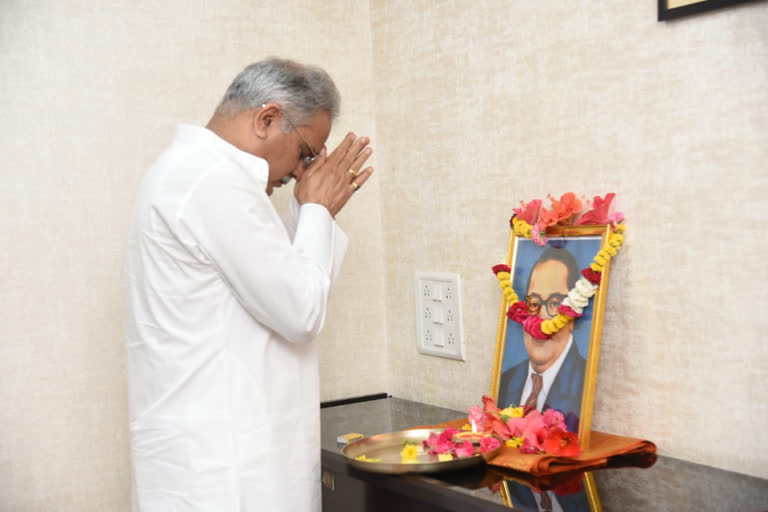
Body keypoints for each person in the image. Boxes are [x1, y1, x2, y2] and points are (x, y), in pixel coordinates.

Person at [125, 58, 373, 512]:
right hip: (223, 472)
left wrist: (315, 211)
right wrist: (315, 210)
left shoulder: (198, 174)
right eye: (306, 153)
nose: (303, 171)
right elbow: (300, 312)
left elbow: (282, 279)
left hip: (221, 455)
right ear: (267, 119)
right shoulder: (211, 181)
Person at [498, 246, 586, 432]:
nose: (541, 319)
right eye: (534, 303)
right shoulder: (504, 382)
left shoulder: (585, 386)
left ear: (574, 314)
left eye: (555, 303)